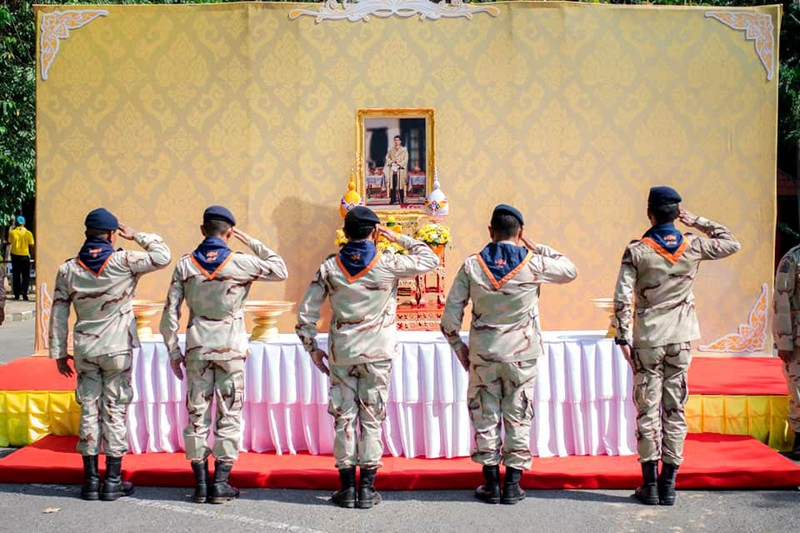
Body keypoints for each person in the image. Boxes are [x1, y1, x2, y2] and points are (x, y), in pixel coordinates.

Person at [296, 206, 439, 509]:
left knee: (344, 418)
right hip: (377, 352)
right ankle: (367, 490)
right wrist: (396, 237)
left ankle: (348, 488)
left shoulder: (330, 267)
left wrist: (311, 348)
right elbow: (430, 259)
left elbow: (306, 312)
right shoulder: (387, 262)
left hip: (343, 353)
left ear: (345, 233)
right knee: (372, 417)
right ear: (375, 231)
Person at [440, 204, 578, 505]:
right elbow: (569, 270)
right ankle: (513, 485)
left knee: (485, 415)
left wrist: (460, 350)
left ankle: (491, 484)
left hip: (484, 354)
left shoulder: (472, 265)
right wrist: (536, 247)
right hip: (521, 354)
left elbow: (449, 320)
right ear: (520, 232)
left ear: (490, 231)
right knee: (518, 414)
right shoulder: (534, 262)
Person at [612, 186, 740, 506]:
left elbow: (622, 297)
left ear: (649, 213)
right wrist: (695, 221)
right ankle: (669, 484)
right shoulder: (693, 245)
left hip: (648, 340)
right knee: (675, 409)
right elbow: (731, 241)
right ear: (677, 213)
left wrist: (622, 337)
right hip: (681, 339)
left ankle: (650, 485)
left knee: (647, 410)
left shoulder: (637, 250)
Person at [160, 206, 288, 505]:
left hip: (198, 347)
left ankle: (200, 484)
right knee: (229, 413)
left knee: (197, 415)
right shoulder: (240, 262)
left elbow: (170, 313)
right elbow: (280, 269)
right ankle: (220, 483)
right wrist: (249, 241)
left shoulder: (186, 265)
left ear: (202, 230)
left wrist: (173, 351)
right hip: (230, 348)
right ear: (229, 232)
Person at [50, 208, 171, 501]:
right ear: (112, 235)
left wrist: (59, 352)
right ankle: (113, 481)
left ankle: (91, 482)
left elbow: (59, 312)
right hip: (117, 348)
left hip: (86, 349)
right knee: (115, 410)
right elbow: (163, 256)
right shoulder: (124, 260)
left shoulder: (68, 269)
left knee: (89, 410)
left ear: (86, 233)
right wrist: (137, 235)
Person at [771, 245, 800, 460]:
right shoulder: (793, 259)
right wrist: (784, 340)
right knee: (798, 389)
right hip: (798, 341)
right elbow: (782, 300)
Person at [8, 216, 34, 301]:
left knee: (16, 275)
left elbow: (9, 242)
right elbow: (32, 246)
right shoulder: (28, 233)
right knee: (26, 275)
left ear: (17, 223)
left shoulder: (12, 233)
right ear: (24, 223)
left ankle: (16, 294)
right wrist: (33, 256)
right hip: (25, 256)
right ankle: (24, 293)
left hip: (15, 256)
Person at [384, 136, 408, 205]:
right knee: (392, 185)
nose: (396, 142)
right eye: (395, 140)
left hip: (400, 170)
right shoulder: (390, 150)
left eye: (398, 140)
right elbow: (387, 158)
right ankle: (392, 199)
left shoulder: (404, 150)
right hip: (393, 170)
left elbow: (405, 160)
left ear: (400, 141)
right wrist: (392, 162)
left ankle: (401, 200)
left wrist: (399, 164)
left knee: (400, 185)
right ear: (394, 141)